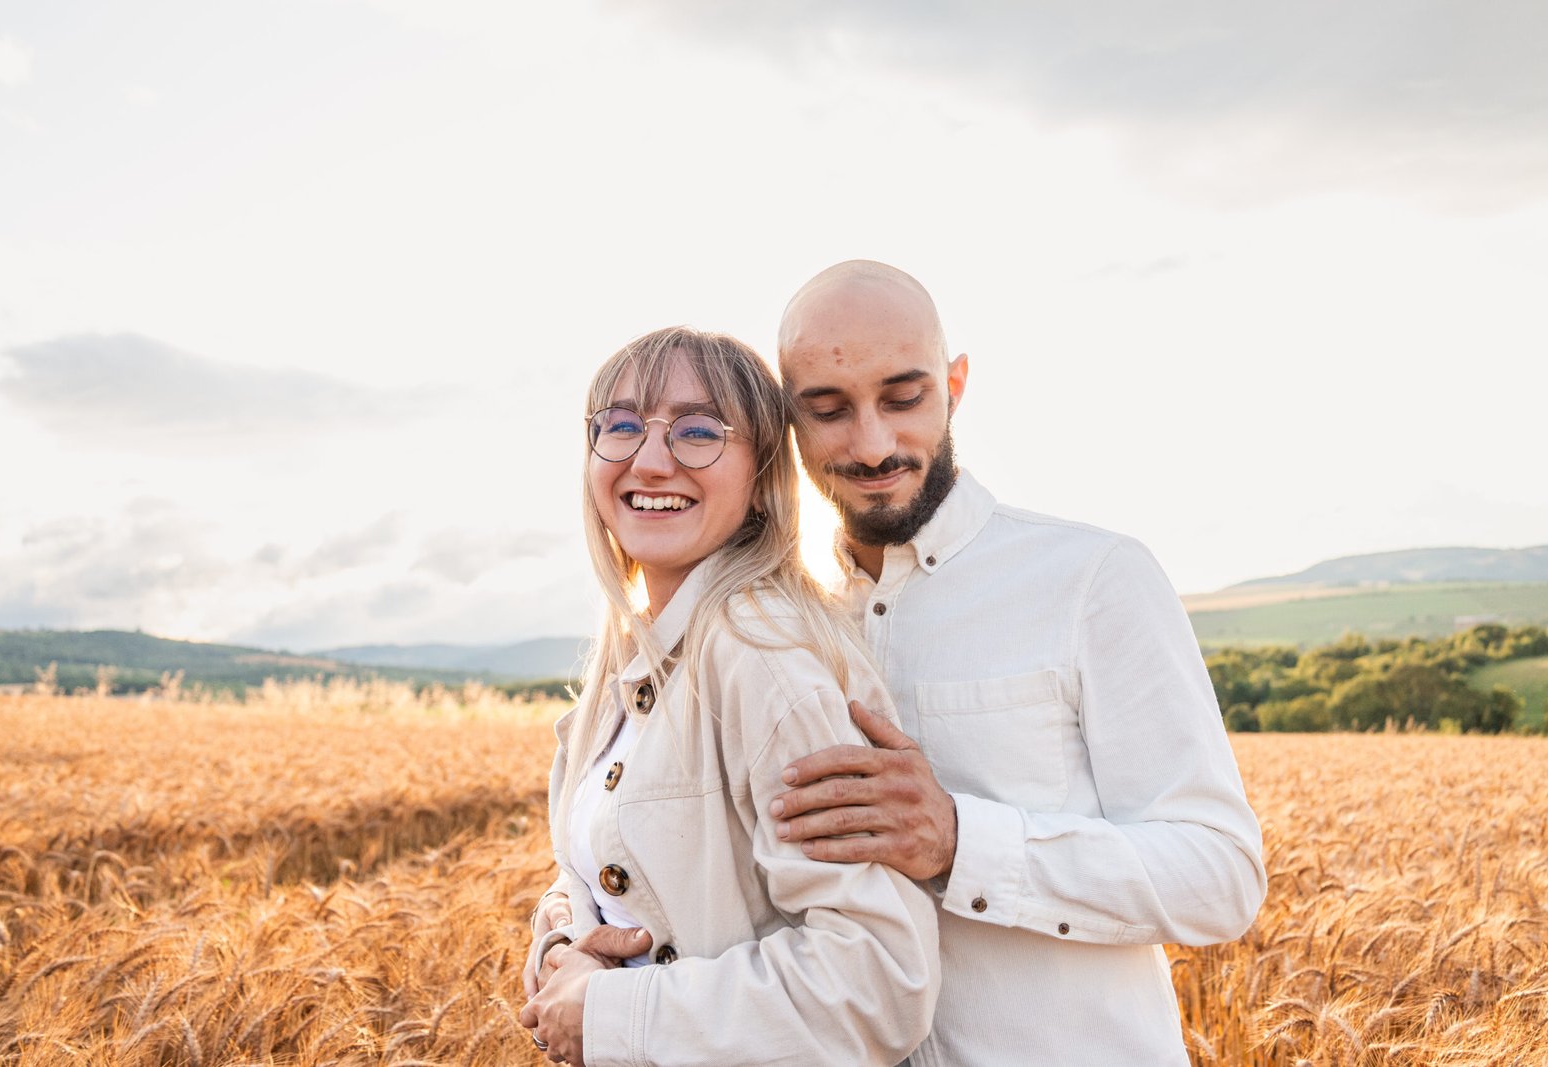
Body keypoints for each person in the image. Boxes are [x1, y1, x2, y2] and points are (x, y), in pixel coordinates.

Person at [767, 260, 1267, 1066]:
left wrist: (959, 839)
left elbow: (1220, 877)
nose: (872, 443)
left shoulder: (1093, 579)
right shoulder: (782, 625)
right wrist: (568, 930)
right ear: (787, 421)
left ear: (954, 386)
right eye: (828, 410)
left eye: (904, 397)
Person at [518, 326, 938, 1066]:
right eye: (621, 425)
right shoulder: (633, 659)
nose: (651, 459)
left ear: (763, 476)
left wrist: (611, 1014)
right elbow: (605, 870)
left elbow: (873, 982)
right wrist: (562, 950)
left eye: (699, 431)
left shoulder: (764, 659)